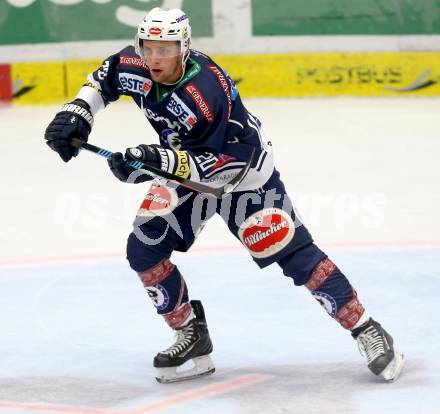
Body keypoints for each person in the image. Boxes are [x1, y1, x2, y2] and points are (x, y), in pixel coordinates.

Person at [44, 7, 404, 384]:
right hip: (184, 170)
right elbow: (105, 78)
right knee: (144, 249)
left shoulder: (206, 93)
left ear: (183, 49)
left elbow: (225, 164)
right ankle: (190, 333)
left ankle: (367, 329)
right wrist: (80, 109)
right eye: (148, 48)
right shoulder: (136, 64)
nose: (153, 58)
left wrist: (155, 160)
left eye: (164, 50)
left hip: (243, 175)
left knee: (295, 256)